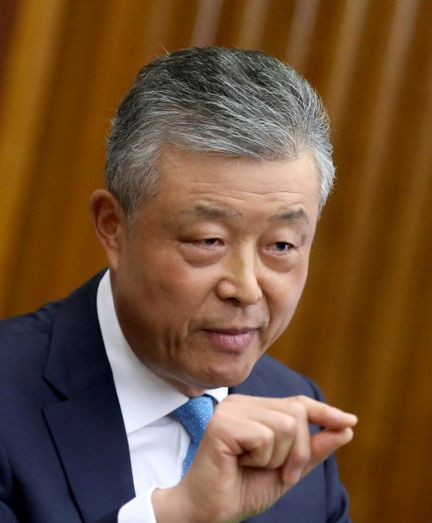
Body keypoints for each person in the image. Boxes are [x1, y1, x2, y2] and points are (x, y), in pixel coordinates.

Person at [0, 47, 357, 523]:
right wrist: (176, 516)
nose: (246, 288)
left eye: (282, 245)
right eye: (209, 240)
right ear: (113, 226)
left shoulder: (294, 415)